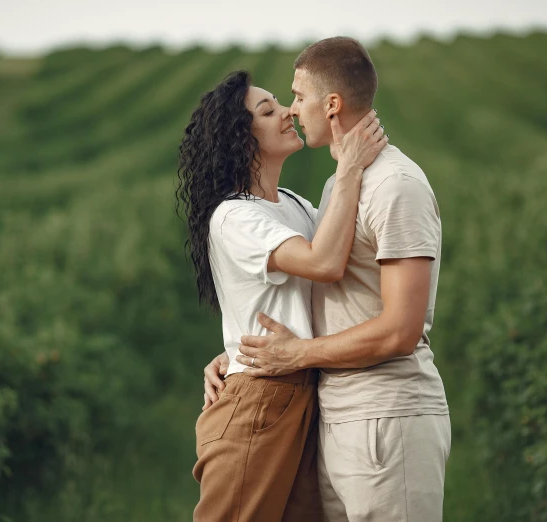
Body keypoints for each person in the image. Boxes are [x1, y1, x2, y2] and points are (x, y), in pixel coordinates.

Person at [203, 37, 451, 522]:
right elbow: (311, 276)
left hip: (384, 413)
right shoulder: (335, 186)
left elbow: (401, 328)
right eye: (277, 105)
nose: (292, 111)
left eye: (295, 97)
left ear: (332, 104)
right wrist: (234, 350)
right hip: (333, 411)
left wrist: (294, 354)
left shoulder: (393, 185)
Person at [176, 69, 386, 521]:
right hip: (261, 398)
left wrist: (229, 350)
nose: (289, 111)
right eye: (268, 111)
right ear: (241, 138)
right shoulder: (233, 217)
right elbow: (324, 263)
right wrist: (347, 166)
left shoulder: (290, 203)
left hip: (299, 389)